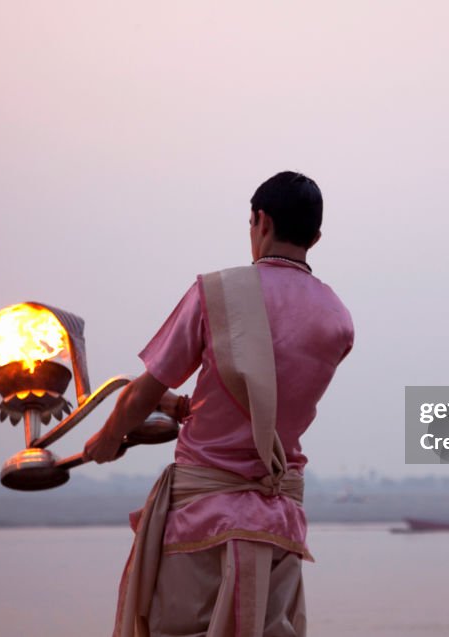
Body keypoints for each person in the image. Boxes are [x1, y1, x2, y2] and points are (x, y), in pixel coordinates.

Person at [83, 171, 354, 637]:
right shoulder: (338, 319)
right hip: (278, 531)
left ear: (260, 221)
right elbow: (267, 393)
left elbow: (140, 394)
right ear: (316, 236)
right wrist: (181, 406)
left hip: (202, 525)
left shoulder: (217, 294)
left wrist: (105, 439)